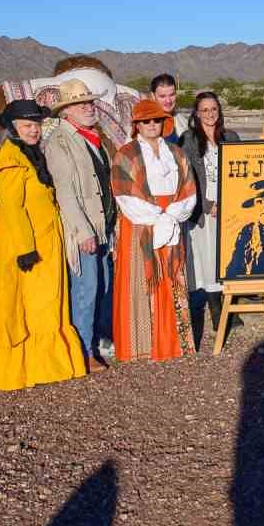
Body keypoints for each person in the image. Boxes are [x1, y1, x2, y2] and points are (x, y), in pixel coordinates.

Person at [0, 100, 87, 391]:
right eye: (27, 125)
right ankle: (25, 368)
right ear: (13, 129)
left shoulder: (31, 154)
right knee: (27, 304)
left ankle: (47, 365)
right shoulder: (9, 159)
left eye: (36, 124)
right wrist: (26, 248)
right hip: (23, 243)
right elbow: (11, 207)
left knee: (45, 302)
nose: (33, 130)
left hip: (45, 238)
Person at [111, 100, 199, 360]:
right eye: (146, 121)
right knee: (143, 280)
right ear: (137, 125)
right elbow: (124, 192)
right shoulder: (125, 154)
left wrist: (171, 215)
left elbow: (188, 189)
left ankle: (174, 343)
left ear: (164, 122)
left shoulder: (177, 153)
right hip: (140, 223)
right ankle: (143, 345)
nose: (151, 125)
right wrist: (156, 216)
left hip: (171, 219)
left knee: (173, 275)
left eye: (156, 120)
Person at [39, 78, 118, 361]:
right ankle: (81, 350)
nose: (88, 107)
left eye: (90, 102)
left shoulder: (93, 139)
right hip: (84, 230)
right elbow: (65, 191)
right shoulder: (60, 142)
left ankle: (97, 339)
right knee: (86, 290)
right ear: (65, 111)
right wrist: (83, 231)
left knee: (104, 286)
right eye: (80, 104)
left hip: (102, 226)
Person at [181, 90, 242, 335]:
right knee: (209, 261)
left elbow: (242, 172)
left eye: (214, 109)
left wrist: (233, 202)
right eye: (205, 110)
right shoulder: (188, 139)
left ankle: (231, 309)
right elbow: (186, 178)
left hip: (230, 207)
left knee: (230, 257)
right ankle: (217, 314)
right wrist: (207, 205)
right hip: (204, 209)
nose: (210, 114)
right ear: (197, 113)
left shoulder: (231, 137)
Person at [150, 73, 190, 145]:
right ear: (153, 96)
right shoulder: (143, 124)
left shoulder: (185, 123)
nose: (168, 101)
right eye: (162, 96)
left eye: (172, 95)